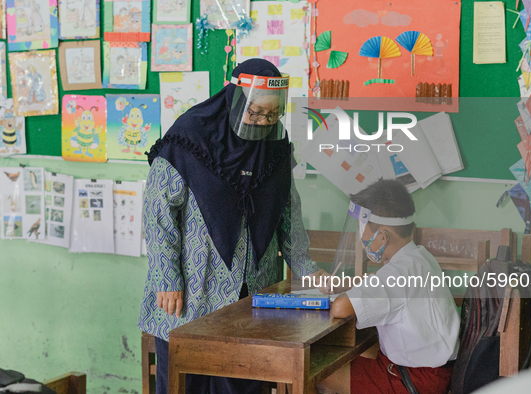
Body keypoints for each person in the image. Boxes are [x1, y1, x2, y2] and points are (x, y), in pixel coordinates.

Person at [138, 59, 327, 394]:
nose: (263, 121)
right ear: (235, 99)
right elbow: (158, 213)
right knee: (186, 383)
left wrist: (305, 269)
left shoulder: (275, 145)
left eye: (272, 115)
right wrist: (166, 278)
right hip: (192, 292)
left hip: (252, 293)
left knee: (244, 382)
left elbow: (288, 211)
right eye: (255, 112)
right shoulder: (189, 137)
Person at [315, 179, 460, 394]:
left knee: (315, 368)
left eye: (361, 230)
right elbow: (377, 280)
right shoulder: (418, 256)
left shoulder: (397, 273)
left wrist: (343, 293)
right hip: (431, 371)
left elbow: (341, 308)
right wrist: (343, 284)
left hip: (413, 380)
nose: (360, 238)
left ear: (382, 236)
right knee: (353, 350)